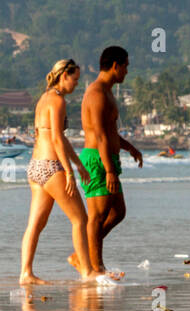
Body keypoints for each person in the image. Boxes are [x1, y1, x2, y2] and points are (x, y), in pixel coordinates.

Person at [19, 58, 99, 284]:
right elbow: (56, 138)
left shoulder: (43, 99)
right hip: (52, 167)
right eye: (75, 79)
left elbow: (57, 138)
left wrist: (79, 164)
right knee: (80, 219)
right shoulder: (58, 101)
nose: (76, 84)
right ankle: (87, 271)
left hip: (35, 166)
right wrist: (69, 172)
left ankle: (25, 273)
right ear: (64, 76)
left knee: (35, 224)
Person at [80, 46, 143, 276]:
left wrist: (129, 147)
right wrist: (109, 171)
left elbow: (110, 132)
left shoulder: (107, 91)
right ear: (115, 65)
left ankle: (83, 255)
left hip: (108, 159)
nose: (127, 71)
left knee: (118, 212)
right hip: (97, 161)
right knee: (96, 217)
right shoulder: (96, 94)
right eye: (126, 66)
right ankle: (95, 268)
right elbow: (99, 136)